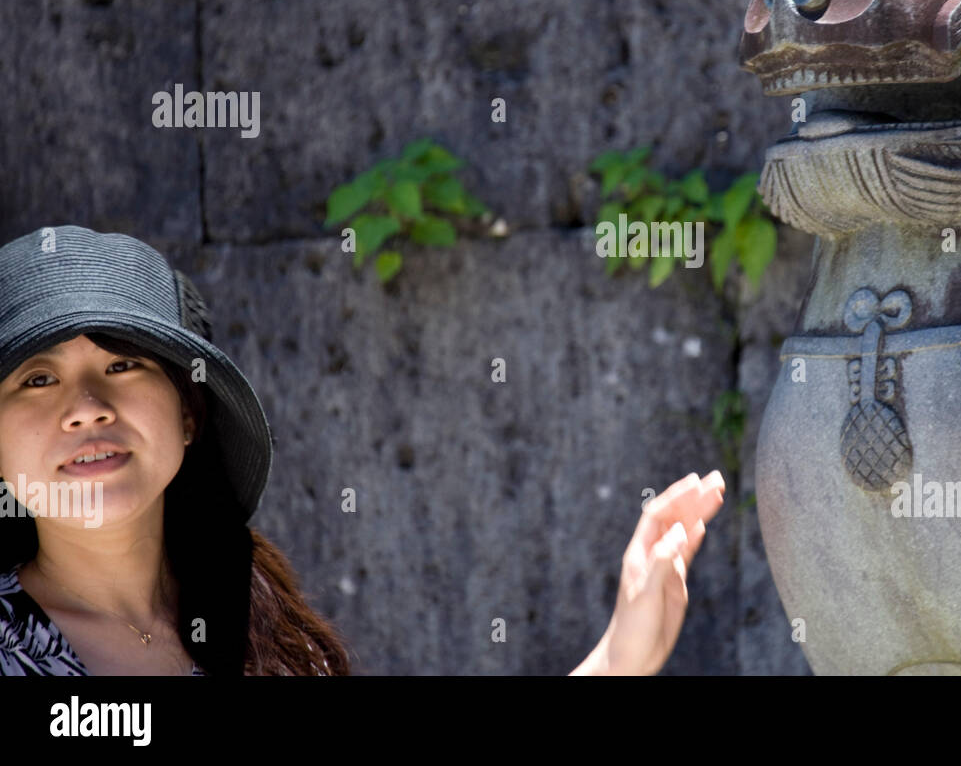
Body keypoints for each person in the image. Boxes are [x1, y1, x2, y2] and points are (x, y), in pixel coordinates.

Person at [0, 225, 725, 676]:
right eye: (37, 378)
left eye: (123, 365)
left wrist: (616, 659)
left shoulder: (271, 634)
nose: (88, 406)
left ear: (189, 414)